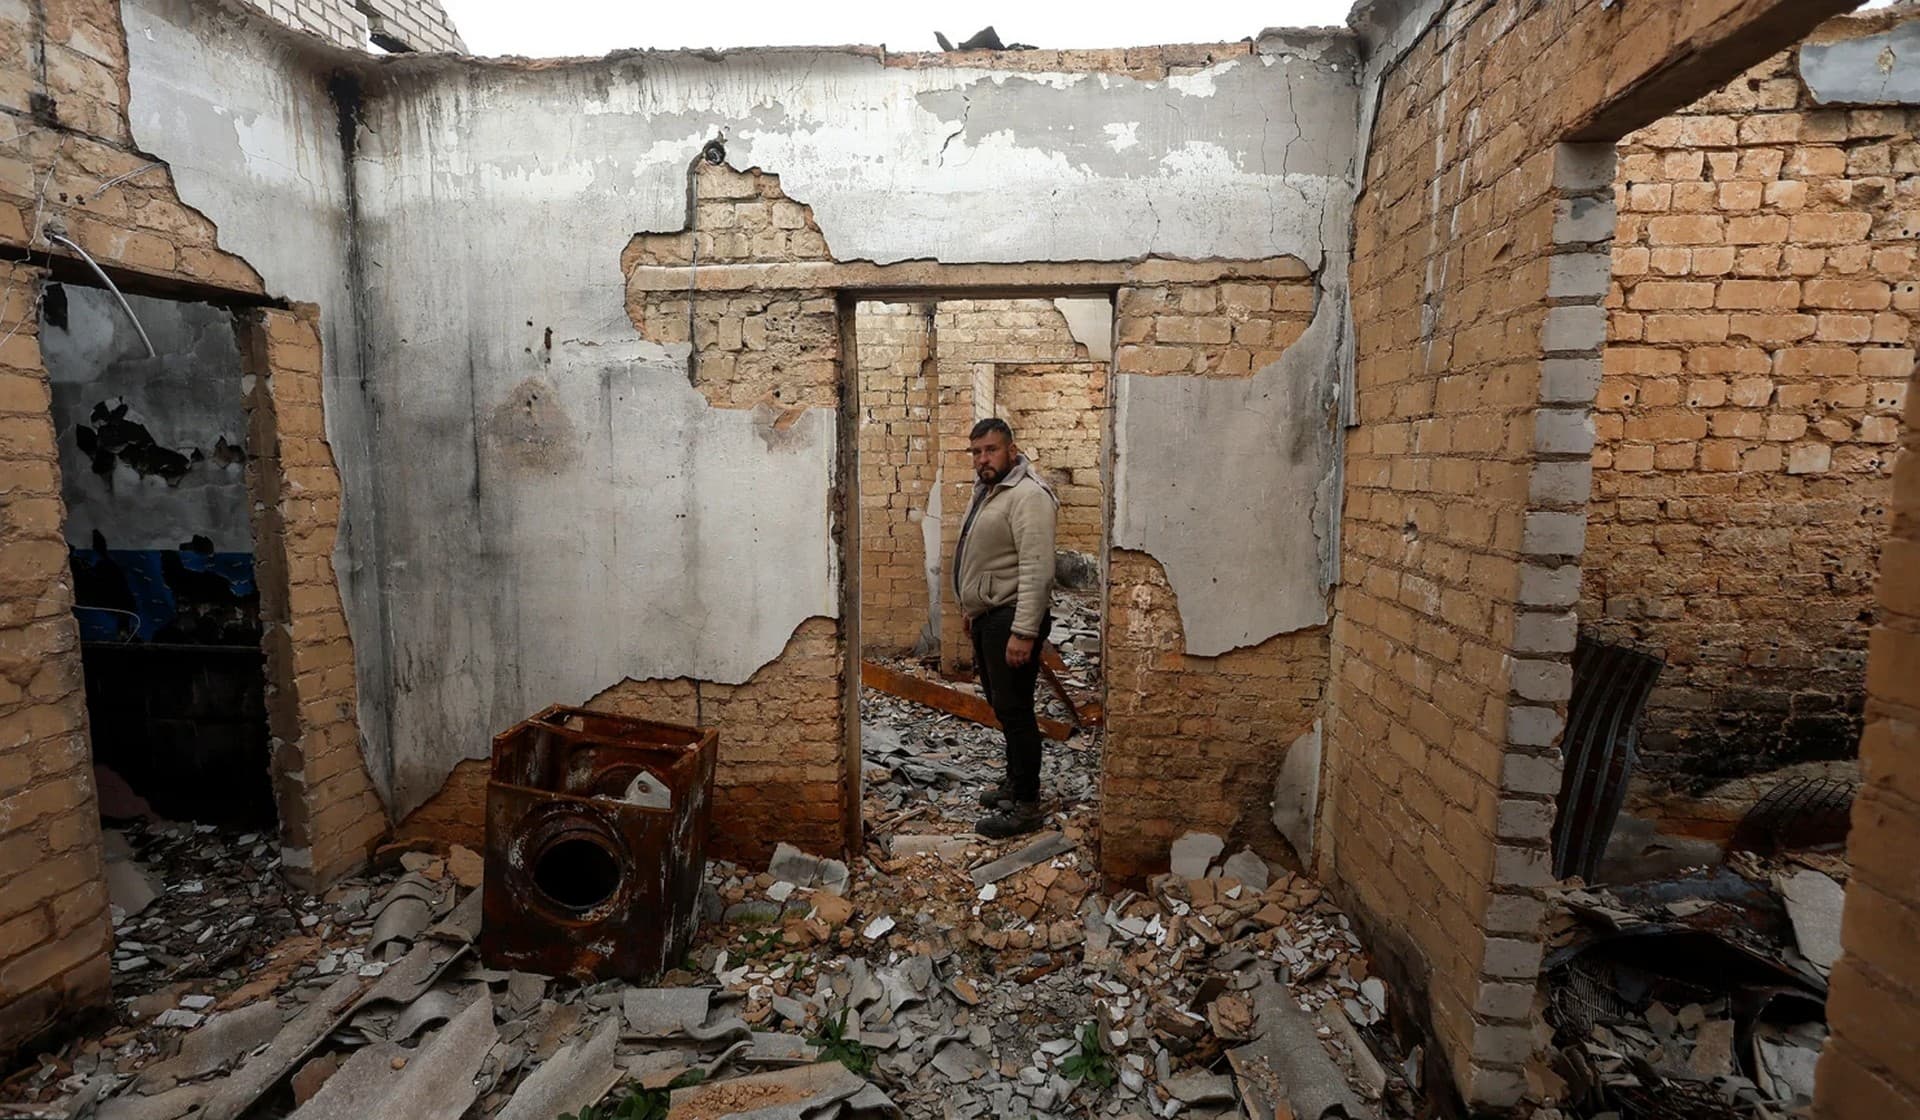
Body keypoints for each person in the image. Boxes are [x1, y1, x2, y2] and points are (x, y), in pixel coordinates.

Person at [952, 417, 1058, 838]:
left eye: (990, 450)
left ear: (1011, 450)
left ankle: (1028, 804)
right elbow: (984, 557)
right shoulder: (989, 491)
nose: (982, 459)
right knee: (1003, 706)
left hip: (1012, 618)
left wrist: (1025, 632)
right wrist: (971, 606)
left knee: (1016, 713)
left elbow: (1038, 569)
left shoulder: (1028, 495)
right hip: (990, 615)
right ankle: (1015, 782)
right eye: (976, 452)